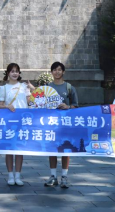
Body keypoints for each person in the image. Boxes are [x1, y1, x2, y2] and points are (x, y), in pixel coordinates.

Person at [0, 63, 34, 186]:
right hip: (9, 121)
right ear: (8, 73)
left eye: (16, 71)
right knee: (9, 149)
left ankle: (18, 175)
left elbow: (31, 102)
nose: (14, 73)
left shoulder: (24, 86)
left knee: (19, 149)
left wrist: (33, 89)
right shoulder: (3, 88)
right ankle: (10, 175)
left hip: (22, 121)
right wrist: (7, 106)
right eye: (12, 71)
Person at [45, 61, 79, 189]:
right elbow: (41, 104)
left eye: (59, 70)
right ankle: (53, 176)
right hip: (51, 123)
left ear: (63, 72)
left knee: (66, 149)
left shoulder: (69, 88)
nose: (57, 72)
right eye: (54, 70)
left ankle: (64, 176)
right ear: (51, 72)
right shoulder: (47, 88)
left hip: (66, 123)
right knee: (52, 149)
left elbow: (76, 106)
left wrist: (68, 106)